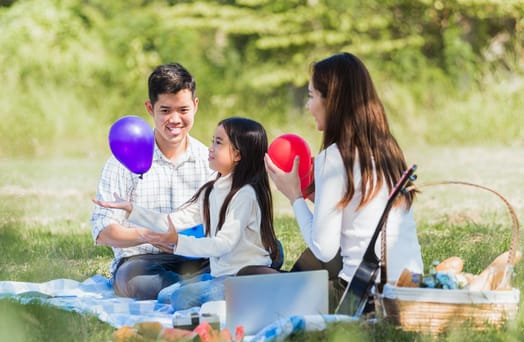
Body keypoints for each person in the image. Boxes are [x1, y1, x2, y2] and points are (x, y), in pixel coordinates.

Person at [241, 52, 424, 314]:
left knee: (248, 277)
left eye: (311, 96)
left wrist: (294, 196)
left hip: (362, 298)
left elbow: (324, 250)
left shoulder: (335, 157)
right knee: (307, 263)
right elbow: (362, 220)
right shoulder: (387, 149)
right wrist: (317, 196)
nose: (308, 105)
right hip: (407, 289)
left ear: (332, 101)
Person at [93, 117, 281, 309]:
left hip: (240, 275)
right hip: (220, 274)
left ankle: (263, 287)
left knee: (180, 299)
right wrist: (131, 210)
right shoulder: (211, 190)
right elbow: (173, 220)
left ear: (237, 155)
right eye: (212, 141)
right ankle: (242, 290)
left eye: (218, 143)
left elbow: (223, 245)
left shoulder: (245, 195)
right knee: (166, 296)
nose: (210, 148)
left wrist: (177, 242)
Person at [91, 63, 213, 300]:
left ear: (195, 106)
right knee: (137, 281)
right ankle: (202, 291)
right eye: (165, 110)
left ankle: (193, 289)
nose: (175, 119)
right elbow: (104, 231)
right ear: (150, 108)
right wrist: (149, 234)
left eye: (183, 110)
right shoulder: (122, 161)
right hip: (142, 261)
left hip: (198, 257)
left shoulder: (208, 160)